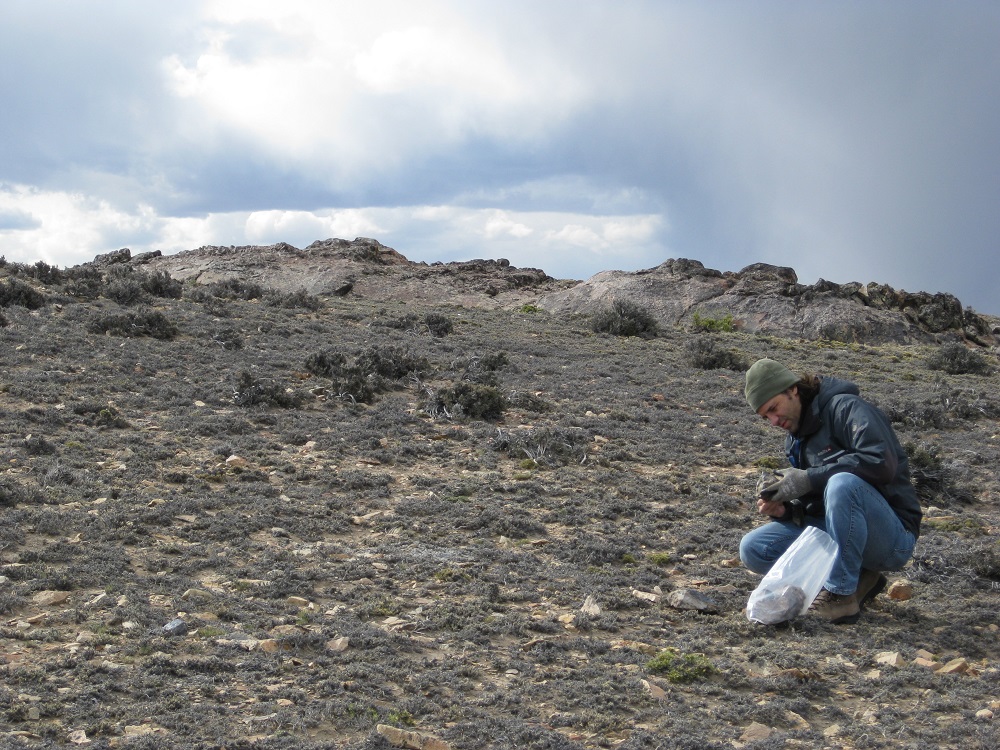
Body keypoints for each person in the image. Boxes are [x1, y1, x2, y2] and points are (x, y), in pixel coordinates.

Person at [739, 358, 922, 624]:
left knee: (842, 484)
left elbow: (881, 463)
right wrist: (785, 511)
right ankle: (860, 578)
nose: (773, 421)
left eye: (774, 409)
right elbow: (818, 504)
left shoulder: (846, 408)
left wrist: (810, 478)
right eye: (766, 416)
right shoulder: (796, 439)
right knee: (754, 548)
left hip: (892, 537)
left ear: (792, 390)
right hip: (843, 530)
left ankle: (841, 595)